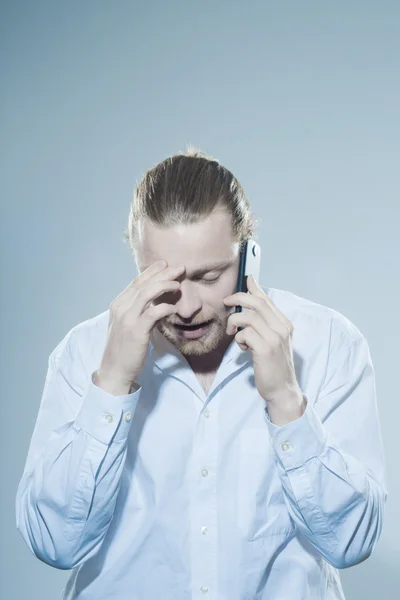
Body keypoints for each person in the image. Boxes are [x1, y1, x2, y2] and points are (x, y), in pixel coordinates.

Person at [16, 148, 388, 600]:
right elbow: (54, 544)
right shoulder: (83, 353)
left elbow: (351, 542)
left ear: (250, 255)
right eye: (165, 280)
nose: (187, 307)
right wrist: (112, 385)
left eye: (209, 276)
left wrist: (287, 402)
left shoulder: (329, 342)